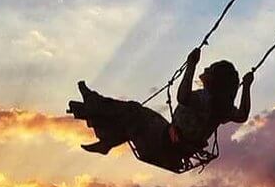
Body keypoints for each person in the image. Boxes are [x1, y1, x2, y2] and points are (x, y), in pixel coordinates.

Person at [68, 48, 253, 173]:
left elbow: (183, 96)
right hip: (174, 144)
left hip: (163, 141)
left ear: (214, 80)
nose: (206, 69)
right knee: (132, 118)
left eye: (210, 70)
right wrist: (246, 87)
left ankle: (92, 105)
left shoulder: (205, 99)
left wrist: (191, 65)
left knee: (133, 111)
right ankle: (105, 139)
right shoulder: (223, 110)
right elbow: (243, 114)